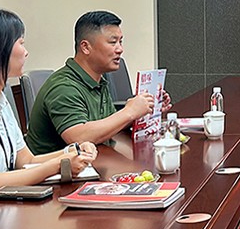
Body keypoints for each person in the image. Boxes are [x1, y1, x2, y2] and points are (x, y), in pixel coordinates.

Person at [0, 7, 96, 201]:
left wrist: (74, 151)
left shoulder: (0, 100)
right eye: (20, 43)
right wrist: (58, 165)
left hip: (4, 206)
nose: (26, 52)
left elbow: (26, 160)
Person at [26, 11, 170, 154]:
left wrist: (144, 109)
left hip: (93, 160)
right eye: (113, 42)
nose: (120, 49)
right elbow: (79, 138)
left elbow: (108, 126)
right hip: (58, 168)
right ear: (85, 47)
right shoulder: (64, 87)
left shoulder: (98, 79)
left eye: (120, 42)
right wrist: (129, 112)